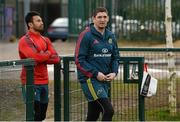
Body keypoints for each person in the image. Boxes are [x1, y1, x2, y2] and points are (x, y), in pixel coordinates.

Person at [75, 7, 119, 121]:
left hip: (104, 79)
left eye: (104, 17)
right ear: (93, 19)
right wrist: (95, 73)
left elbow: (115, 57)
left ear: (108, 18)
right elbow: (79, 60)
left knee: (93, 115)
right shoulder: (86, 35)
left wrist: (114, 72)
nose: (102, 19)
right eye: (99, 17)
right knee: (108, 110)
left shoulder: (111, 35)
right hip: (90, 79)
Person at [18, 11, 60, 121]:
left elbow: (56, 58)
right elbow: (35, 57)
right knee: (33, 116)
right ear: (30, 24)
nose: (42, 22)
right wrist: (47, 54)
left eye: (41, 20)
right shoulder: (25, 40)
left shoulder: (45, 39)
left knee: (41, 116)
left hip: (44, 82)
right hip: (31, 83)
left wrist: (43, 55)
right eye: (38, 21)